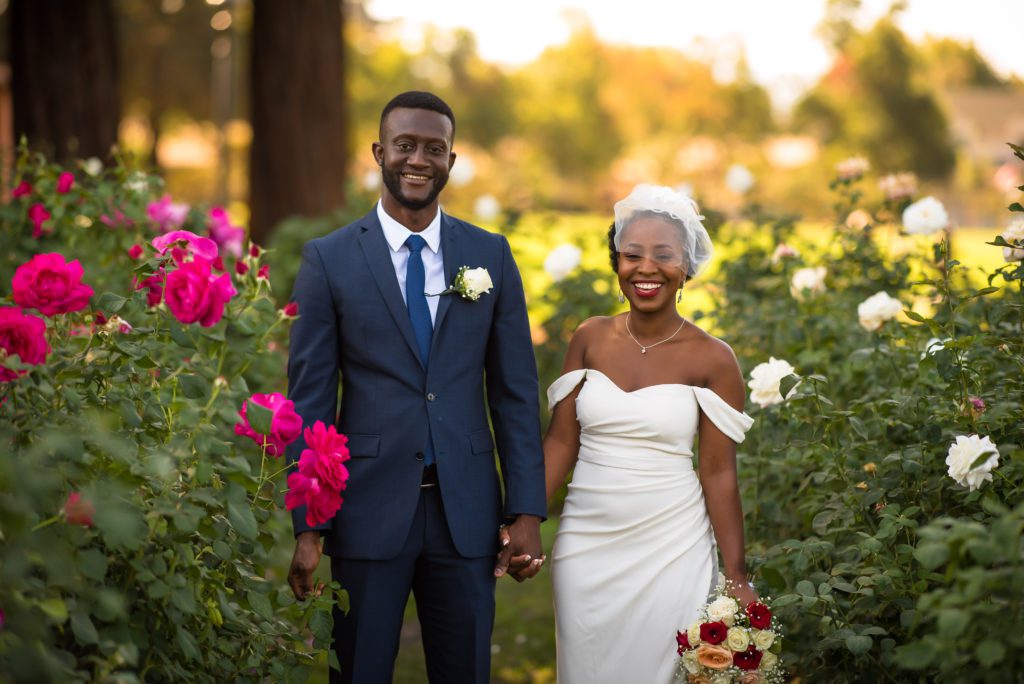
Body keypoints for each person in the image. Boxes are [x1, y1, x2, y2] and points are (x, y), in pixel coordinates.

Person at [284, 90, 546, 684]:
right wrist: (308, 523)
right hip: (366, 508)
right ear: (379, 152)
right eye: (405, 145)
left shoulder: (490, 255)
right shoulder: (329, 260)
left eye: (435, 148)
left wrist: (526, 510)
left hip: (467, 512)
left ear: (453, 159)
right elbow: (311, 401)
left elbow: (514, 392)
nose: (418, 160)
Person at [542, 183, 756, 683]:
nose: (646, 267)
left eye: (664, 255)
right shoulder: (589, 338)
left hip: (672, 548)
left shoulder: (714, 359)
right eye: (631, 254)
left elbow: (719, 470)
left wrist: (737, 575)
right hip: (586, 547)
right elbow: (559, 441)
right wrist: (522, 519)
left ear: (686, 268)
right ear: (616, 262)